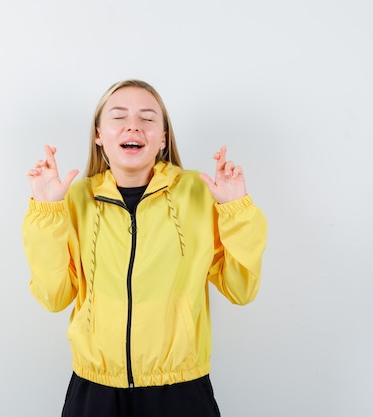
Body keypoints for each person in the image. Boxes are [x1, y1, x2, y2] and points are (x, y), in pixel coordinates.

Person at [22, 79, 267, 417]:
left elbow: (242, 289)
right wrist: (48, 211)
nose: (133, 125)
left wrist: (235, 209)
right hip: (95, 392)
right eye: (118, 117)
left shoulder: (199, 194)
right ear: (99, 135)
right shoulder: (75, 199)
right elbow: (54, 297)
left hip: (181, 392)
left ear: (163, 137)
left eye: (148, 118)